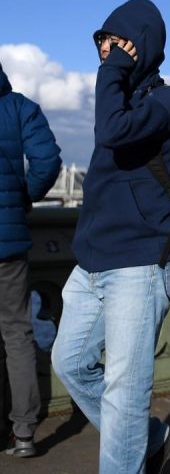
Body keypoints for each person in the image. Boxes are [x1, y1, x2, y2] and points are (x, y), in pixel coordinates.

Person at [51, 0, 170, 474]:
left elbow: (113, 131)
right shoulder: (117, 99)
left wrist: (110, 73)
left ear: (142, 44)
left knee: (124, 392)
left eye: (117, 42)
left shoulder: (168, 103)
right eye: (102, 43)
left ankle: (130, 450)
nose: (107, 51)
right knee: (70, 364)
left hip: (141, 263)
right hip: (93, 262)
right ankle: (150, 438)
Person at [0, 62, 62, 457]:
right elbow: (47, 161)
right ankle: (23, 432)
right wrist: (25, 196)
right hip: (9, 244)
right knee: (18, 334)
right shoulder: (19, 107)